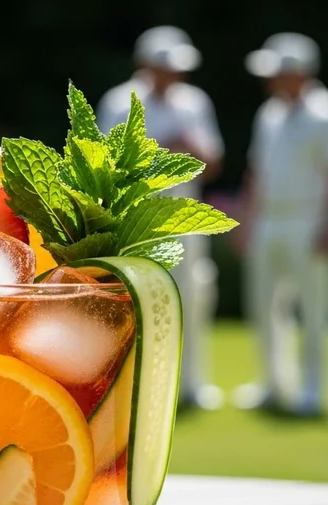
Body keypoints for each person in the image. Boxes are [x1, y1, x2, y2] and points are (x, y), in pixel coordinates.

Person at [97, 26, 225, 410]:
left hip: (183, 215)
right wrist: (166, 150)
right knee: (132, 300)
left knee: (192, 295)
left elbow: (214, 163)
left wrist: (193, 153)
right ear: (145, 64)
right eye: (165, 67)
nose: (173, 76)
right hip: (135, 217)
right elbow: (105, 165)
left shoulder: (194, 101)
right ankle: (134, 383)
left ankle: (192, 384)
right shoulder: (119, 101)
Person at [236, 33, 328, 415]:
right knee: (264, 306)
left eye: (276, 73)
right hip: (270, 220)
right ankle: (274, 384)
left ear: (298, 72)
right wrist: (246, 221)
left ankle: (313, 389)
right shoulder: (268, 112)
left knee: (313, 308)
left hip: (309, 220)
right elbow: (256, 171)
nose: (269, 80)